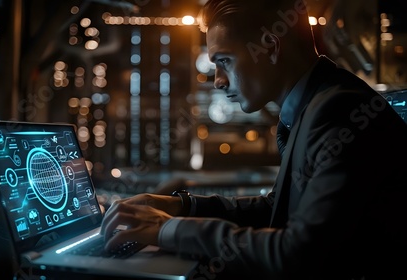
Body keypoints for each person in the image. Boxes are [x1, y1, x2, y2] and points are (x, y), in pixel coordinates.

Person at [101, 0, 407, 279]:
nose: (219, 81)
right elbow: (276, 208)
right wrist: (182, 207)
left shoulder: (338, 111)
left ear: (271, 46)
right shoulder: (317, 104)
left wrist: (169, 230)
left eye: (225, 61)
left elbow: (299, 253)